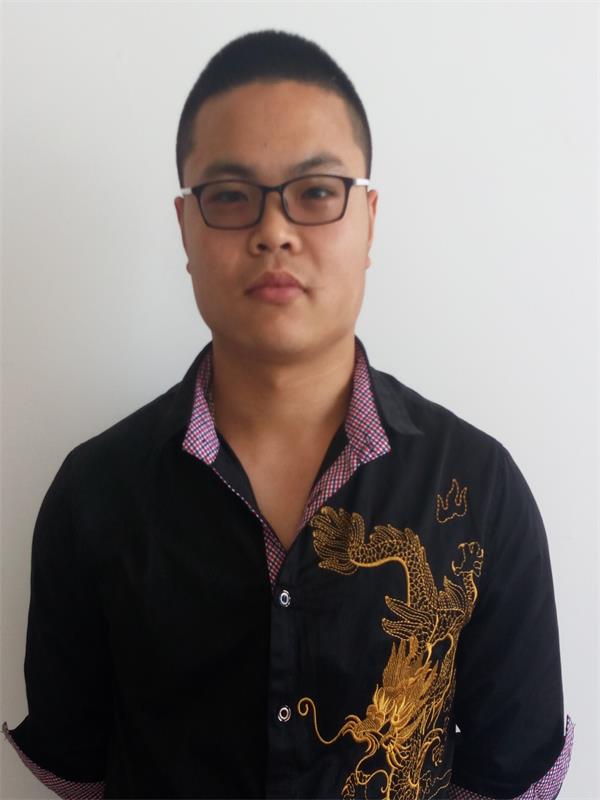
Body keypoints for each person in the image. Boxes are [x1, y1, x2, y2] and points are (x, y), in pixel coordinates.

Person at [2, 29, 574, 800]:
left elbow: (508, 775)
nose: (274, 231)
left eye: (316, 192)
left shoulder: (479, 488)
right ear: (185, 227)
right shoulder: (94, 493)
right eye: (230, 196)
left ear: (369, 219)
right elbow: (81, 770)